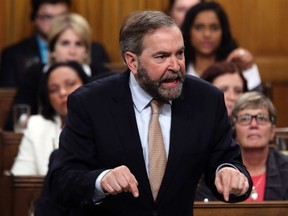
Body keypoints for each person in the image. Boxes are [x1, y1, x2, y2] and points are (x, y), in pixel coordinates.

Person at [46, 10, 252, 216]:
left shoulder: (206, 100)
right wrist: (101, 180)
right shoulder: (90, 103)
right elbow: (61, 181)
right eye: (161, 56)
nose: (175, 66)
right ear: (132, 62)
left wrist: (228, 172)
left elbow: (227, 160)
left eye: (179, 53)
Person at [4, 13, 110, 131]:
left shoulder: (101, 75)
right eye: (65, 43)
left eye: (79, 44)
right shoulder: (35, 74)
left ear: (86, 50)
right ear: (52, 48)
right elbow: (16, 122)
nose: (72, 51)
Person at [0, 0, 109, 88]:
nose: (57, 23)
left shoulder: (96, 52)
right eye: (48, 17)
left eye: (61, 16)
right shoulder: (14, 55)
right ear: (34, 20)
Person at [11, 61, 90, 176]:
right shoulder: (36, 126)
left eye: (70, 84)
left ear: (87, 85)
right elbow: (20, 177)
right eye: (53, 89)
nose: (62, 92)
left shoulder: (104, 122)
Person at [181, 2, 262, 91]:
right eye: (199, 27)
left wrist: (248, 68)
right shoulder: (178, 66)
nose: (207, 34)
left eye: (214, 28)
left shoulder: (239, 65)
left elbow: (256, 101)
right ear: (188, 31)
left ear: (223, 32)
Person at [231, 92, 288, 201]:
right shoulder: (220, 169)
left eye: (261, 118)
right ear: (235, 131)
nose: (253, 125)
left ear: (272, 131)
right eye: (245, 118)